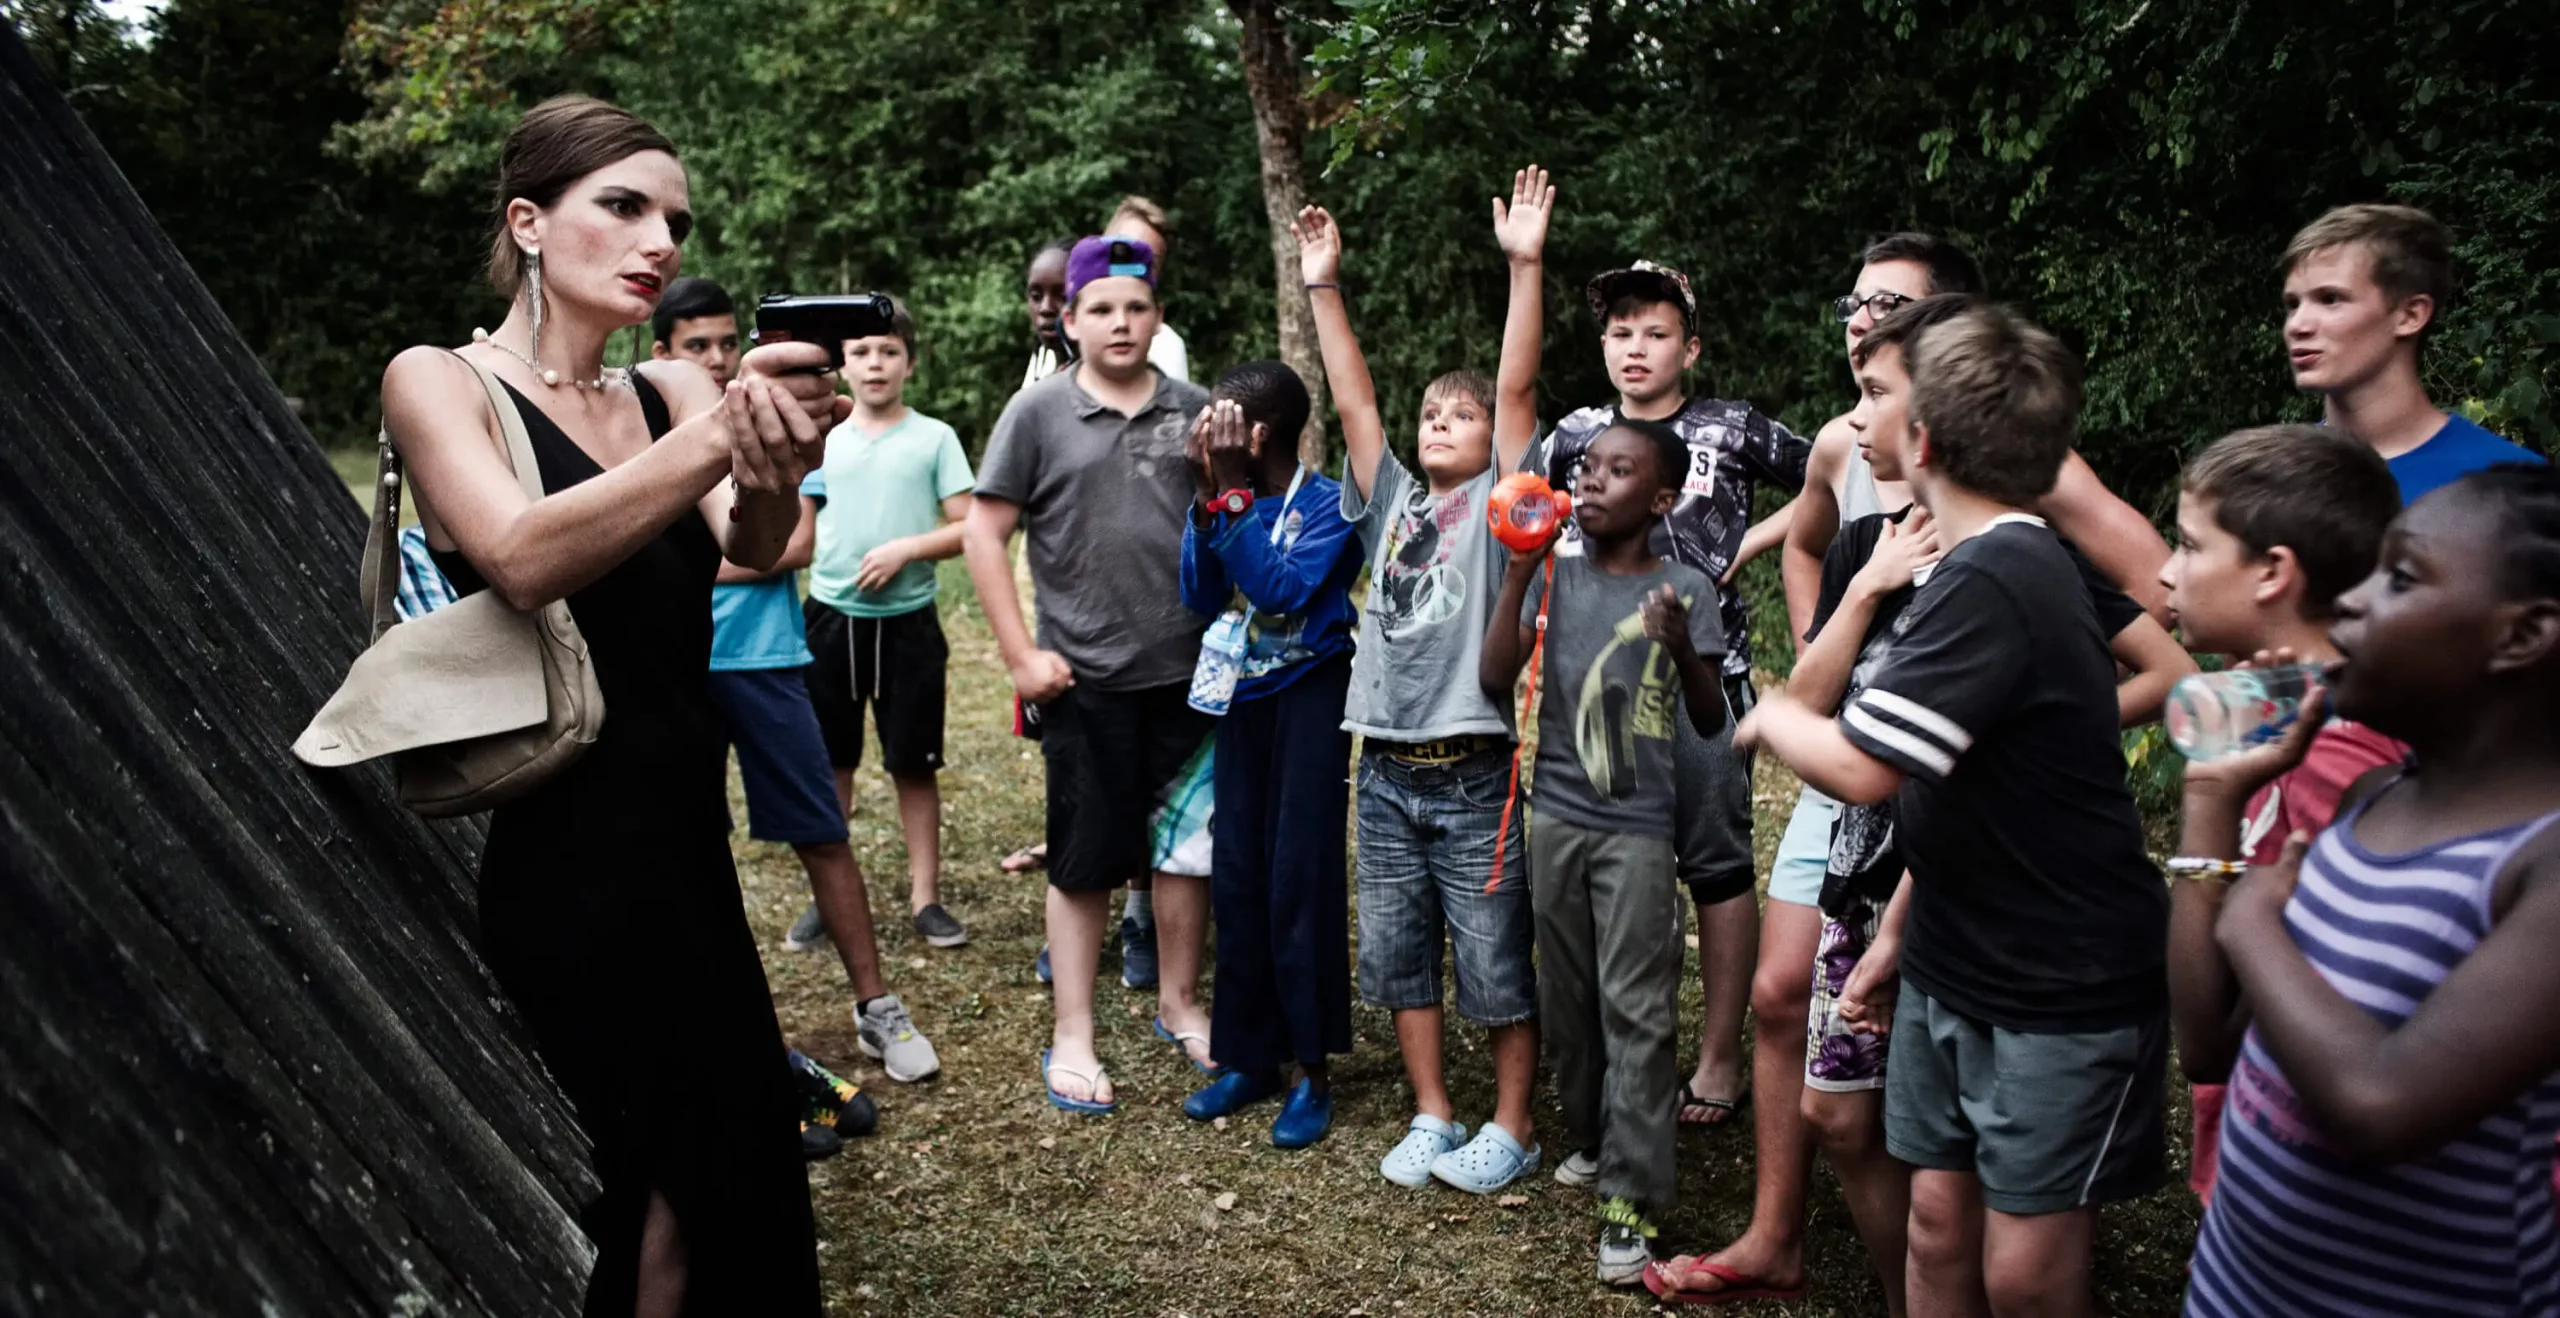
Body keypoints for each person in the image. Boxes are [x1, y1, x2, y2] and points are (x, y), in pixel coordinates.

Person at [382, 96, 842, 1315]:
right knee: (653, 1170)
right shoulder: (440, 380)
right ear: (530, 223)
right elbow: (521, 554)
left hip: (688, 835)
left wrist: (771, 460)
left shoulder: (672, 393)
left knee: (732, 1163)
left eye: (675, 219)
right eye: (624, 206)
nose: (660, 241)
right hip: (566, 852)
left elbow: (756, 542)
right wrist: (717, 438)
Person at [1650, 294, 2188, 1307]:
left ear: (1926, 438)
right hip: (1951, 941)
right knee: (1939, 1225)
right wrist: (1898, 935)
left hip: (2055, 973)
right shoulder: (1955, 562)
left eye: (1875, 400)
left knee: (2025, 1273)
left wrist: (1763, 717)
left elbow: (1862, 767)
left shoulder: (2006, 571)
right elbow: (1953, 795)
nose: (1858, 420)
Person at [2183, 464, 2560, 1317]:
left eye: (2402, 576)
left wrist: (2251, 927)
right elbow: (2209, 1044)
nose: (2350, 601)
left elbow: (2383, 1105)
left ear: (2523, 634)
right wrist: (2213, 798)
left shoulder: (2541, 866)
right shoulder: (2370, 801)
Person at [1294, 171, 1549, 1193]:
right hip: (1385, 769)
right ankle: (1434, 1111)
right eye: (1430, 413)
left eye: (1460, 414)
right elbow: (1352, 396)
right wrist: (1323, 287)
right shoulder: (1389, 496)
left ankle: (1514, 1123)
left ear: (1492, 442)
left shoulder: (1499, 499)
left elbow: (1518, 387)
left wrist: (1523, 264)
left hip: (1473, 770)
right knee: (1400, 953)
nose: (1439, 423)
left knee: (1494, 958)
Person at [645, 280, 945, 1090]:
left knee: (823, 830)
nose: (713, 357)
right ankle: (730, 1034)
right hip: (676, 667)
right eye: (694, 345)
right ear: (661, 356)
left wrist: (665, 559)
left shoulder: (777, 423)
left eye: (724, 342)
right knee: (687, 853)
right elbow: (740, 548)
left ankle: (876, 1005)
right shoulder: (639, 429)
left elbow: (789, 545)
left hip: (766, 657)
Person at [1530, 261, 1803, 1135]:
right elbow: (1529, 510)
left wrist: (1753, 544)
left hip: (1702, 685)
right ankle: (1606, 1054)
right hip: (1595, 695)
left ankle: (1721, 1054)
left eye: (1656, 332)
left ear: (1691, 344)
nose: (1636, 348)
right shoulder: (1574, 433)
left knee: (1715, 865)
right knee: (1601, 877)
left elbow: (1835, 477)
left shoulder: (1731, 427)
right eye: (1620, 332)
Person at [962, 233, 1214, 1112]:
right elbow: (983, 532)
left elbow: (1228, 524)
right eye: (1100, 308)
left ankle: (1181, 1003)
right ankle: (1074, 1030)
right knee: (1084, 857)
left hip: (1188, 677)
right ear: (1068, 320)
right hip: (1085, 679)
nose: (1120, 322)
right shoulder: (1035, 414)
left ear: (1157, 316)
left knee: (1187, 853)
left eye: (1136, 307)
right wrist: (1021, 655)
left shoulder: (1195, 411)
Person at [1482, 418, 1728, 1286]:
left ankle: (1630, 1204)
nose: (1589, 482)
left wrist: (1677, 647)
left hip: (1636, 835)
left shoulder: (1686, 587)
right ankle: (1590, 1137)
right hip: (1555, 819)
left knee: (1640, 1012)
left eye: (1617, 471)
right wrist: (1516, 573)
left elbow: (1706, 719)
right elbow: (1491, 678)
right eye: (1586, 466)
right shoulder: (1555, 571)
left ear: (1660, 499)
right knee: (1570, 997)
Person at [2157, 424, 2406, 1205]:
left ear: (2273, 572)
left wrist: (2209, 803)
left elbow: (2210, 1038)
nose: (2167, 574)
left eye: (2191, 547)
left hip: (2310, 1193)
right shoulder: (2279, 717)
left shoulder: (2341, 762)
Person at [1172, 371, 1363, 1147]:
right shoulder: (1223, 496)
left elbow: (1281, 590)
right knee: (1240, 874)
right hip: (1242, 704)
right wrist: (1204, 500)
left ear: (1255, 436)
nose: (1206, 437)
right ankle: (1249, 1054)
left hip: (1310, 701)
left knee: (1298, 878)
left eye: (1221, 426)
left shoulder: (1329, 508)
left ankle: (1311, 1070)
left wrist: (1230, 498)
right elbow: (1198, 591)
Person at [790, 295, 973, 961]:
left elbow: (968, 527)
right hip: (830, 623)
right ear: (842, 363)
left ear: (910, 363)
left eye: (888, 351)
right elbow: (798, 526)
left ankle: (926, 895)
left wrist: (906, 550)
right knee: (832, 763)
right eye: (861, 352)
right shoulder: (822, 438)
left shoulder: (934, 438)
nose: (874, 363)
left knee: (912, 764)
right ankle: (828, 894)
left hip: (908, 626)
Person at [2280, 204, 2544, 503]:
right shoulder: (2266, 480)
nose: (2297, 325)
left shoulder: (2514, 489)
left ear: (2410, 315)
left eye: (2330, 299)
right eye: (2293, 304)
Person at [1106, 196, 1189, 382]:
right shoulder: (1062, 333)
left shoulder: (1166, 345)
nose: (1133, 268)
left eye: (1148, 262)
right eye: (1125, 252)